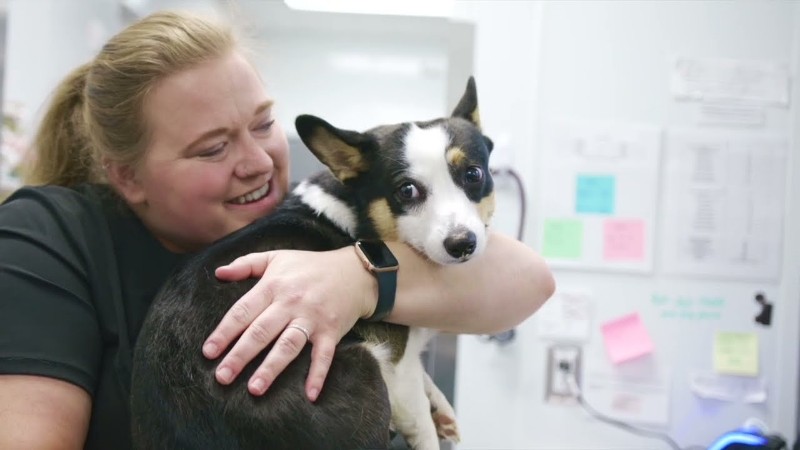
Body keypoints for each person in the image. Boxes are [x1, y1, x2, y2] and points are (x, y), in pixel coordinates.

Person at [0, 9, 555, 450]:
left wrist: (357, 278)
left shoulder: (294, 221)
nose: (259, 162)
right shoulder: (52, 235)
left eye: (263, 124)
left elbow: (528, 281)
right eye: (214, 147)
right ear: (128, 176)